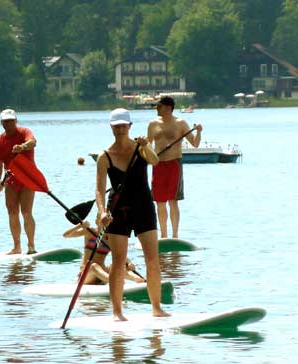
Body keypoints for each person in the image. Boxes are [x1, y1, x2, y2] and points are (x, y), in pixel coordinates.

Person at [96, 108, 168, 321]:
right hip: (119, 210)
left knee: (152, 259)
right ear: (111, 127)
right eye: (116, 126)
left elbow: (155, 161)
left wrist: (146, 145)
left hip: (144, 207)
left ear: (130, 127)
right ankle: (117, 312)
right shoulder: (104, 156)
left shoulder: (141, 148)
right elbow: (99, 189)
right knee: (118, 260)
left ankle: (157, 308)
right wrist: (101, 212)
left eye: (123, 125)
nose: (120, 129)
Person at [146, 96, 202, 238]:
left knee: (173, 201)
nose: (156, 109)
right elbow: (148, 145)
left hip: (174, 164)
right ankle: (163, 235)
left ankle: (175, 235)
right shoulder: (153, 124)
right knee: (160, 202)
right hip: (158, 165)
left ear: (168, 107)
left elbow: (195, 144)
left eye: (159, 106)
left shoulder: (181, 123)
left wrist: (199, 131)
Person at [0, 108, 37, 254]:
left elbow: (32, 142)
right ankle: (17, 247)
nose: (8, 124)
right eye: (5, 122)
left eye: (10, 121)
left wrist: (22, 147)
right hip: (10, 178)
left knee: (26, 211)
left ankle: (31, 246)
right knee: (12, 212)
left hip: (27, 176)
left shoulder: (24, 132)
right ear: (1, 123)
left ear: (15, 121)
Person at [63, 220, 144, 285]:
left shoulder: (110, 239)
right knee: (93, 266)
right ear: (96, 220)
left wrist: (129, 263)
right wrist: (80, 225)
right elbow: (65, 235)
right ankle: (113, 281)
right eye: (102, 219)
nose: (105, 221)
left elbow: (119, 255)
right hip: (86, 275)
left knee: (117, 266)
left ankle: (138, 279)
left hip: (103, 274)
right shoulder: (89, 232)